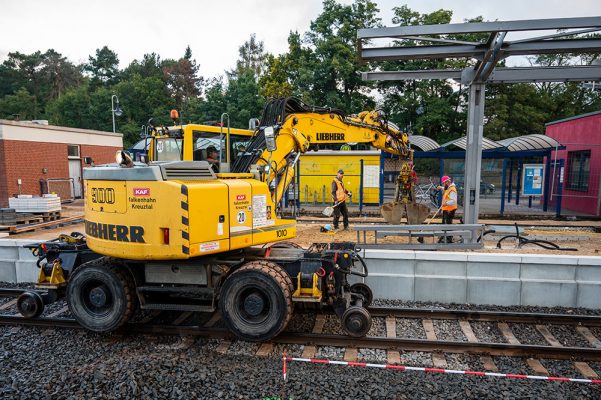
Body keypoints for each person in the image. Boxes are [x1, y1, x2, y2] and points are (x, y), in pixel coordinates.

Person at [438, 175, 457, 243]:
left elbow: (453, 201)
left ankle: (448, 239)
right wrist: (441, 188)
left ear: (447, 182)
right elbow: (446, 189)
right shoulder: (449, 188)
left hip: (450, 210)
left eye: (444, 183)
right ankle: (444, 237)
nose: (443, 185)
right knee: (444, 224)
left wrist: (446, 203)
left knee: (448, 224)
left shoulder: (452, 190)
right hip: (446, 209)